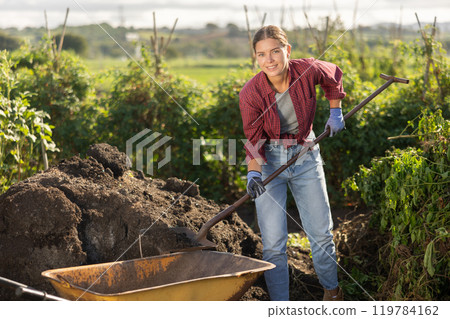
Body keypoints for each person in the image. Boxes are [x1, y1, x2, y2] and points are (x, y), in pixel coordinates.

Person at [239, 25, 345, 301]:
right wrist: (253, 175)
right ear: (256, 57)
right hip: (270, 162)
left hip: (306, 154)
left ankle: (332, 293)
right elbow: (254, 141)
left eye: (275, 51)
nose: (269, 60)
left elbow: (332, 75)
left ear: (287, 50)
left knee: (321, 234)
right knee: (273, 244)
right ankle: (280, 306)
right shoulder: (250, 93)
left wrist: (336, 111)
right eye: (261, 54)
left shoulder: (307, 70)